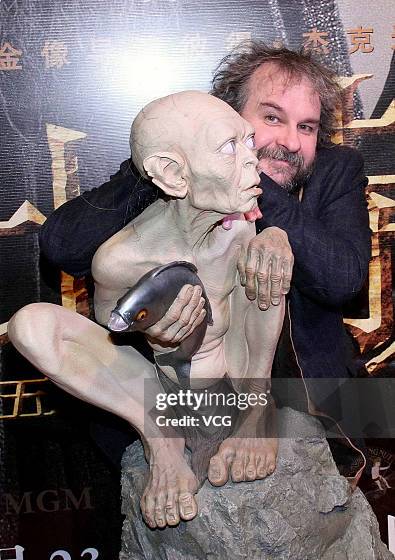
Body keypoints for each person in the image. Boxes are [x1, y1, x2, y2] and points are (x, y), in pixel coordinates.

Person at [39, 42, 371, 431]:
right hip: (176, 394)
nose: (292, 142)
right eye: (272, 117)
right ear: (226, 115)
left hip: (310, 393)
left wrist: (251, 184)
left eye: (307, 127)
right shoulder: (177, 164)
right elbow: (62, 247)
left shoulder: (337, 170)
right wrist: (186, 171)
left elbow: (343, 279)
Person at [9, 91, 284, 528]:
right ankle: (163, 441)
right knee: (31, 326)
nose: (254, 160)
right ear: (173, 174)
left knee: (267, 264)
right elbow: (116, 337)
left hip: (236, 375)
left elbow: (255, 303)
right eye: (230, 148)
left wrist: (276, 239)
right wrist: (159, 338)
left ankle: (256, 409)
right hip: (165, 390)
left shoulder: (237, 226)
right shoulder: (119, 260)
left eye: (248, 141)